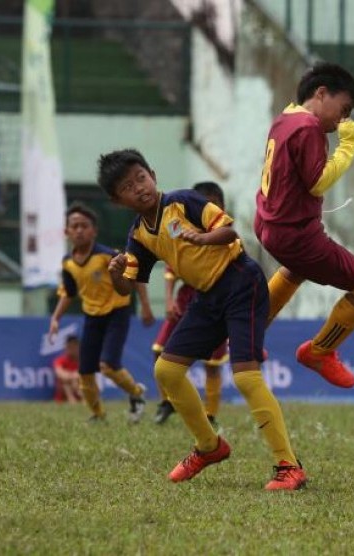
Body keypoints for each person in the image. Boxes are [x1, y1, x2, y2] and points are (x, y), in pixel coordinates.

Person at [99, 148, 306, 490]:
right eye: (126, 186)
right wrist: (117, 273)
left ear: (152, 173)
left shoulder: (184, 202)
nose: (138, 187)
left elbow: (229, 232)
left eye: (140, 178)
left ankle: (288, 466)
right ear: (117, 200)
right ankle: (209, 447)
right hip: (206, 298)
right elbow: (126, 289)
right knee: (166, 370)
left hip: (241, 282)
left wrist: (201, 237)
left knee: (246, 377)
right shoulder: (138, 235)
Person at [254, 62, 354, 389]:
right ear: (321, 93)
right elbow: (318, 182)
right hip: (296, 234)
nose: (343, 119)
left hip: (268, 224)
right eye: (344, 109)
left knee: (296, 270)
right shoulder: (308, 127)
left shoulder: (284, 119)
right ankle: (320, 352)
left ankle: (244, 333)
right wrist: (349, 146)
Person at [49, 202, 155, 423]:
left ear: (94, 230)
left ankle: (137, 394)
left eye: (84, 225)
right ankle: (97, 415)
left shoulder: (108, 256)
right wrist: (55, 318)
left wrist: (145, 306)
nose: (79, 230)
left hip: (117, 312)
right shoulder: (67, 263)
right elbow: (68, 293)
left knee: (107, 366)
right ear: (66, 232)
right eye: (74, 226)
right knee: (85, 372)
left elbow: (133, 276)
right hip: (92, 316)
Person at [152, 181, 228, 428]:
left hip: (217, 299)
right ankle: (167, 402)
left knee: (213, 364)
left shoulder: (225, 232)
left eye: (214, 204)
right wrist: (169, 298)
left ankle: (211, 414)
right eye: (203, 203)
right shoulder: (177, 227)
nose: (208, 209)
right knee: (159, 351)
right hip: (186, 298)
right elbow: (170, 265)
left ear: (222, 207)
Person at [53, 335, 82, 404]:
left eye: (74, 346)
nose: (72, 349)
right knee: (65, 381)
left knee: (83, 380)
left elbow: (86, 374)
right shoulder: (60, 360)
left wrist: (75, 377)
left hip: (79, 388)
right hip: (63, 396)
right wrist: (73, 376)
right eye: (69, 346)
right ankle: (72, 401)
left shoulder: (83, 361)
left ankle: (85, 400)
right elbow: (60, 374)